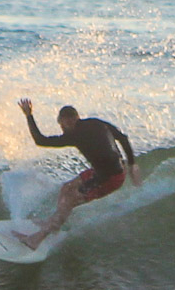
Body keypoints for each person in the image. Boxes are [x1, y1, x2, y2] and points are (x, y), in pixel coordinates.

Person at [14, 98, 141, 249]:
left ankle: (37, 239)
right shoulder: (96, 122)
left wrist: (29, 115)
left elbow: (41, 140)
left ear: (70, 120)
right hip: (104, 170)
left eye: (62, 124)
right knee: (66, 188)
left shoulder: (74, 134)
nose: (62, 129)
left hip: (110, 178)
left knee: (70, 201)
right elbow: (123, 138)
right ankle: (53, 223)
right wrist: (132, 164)